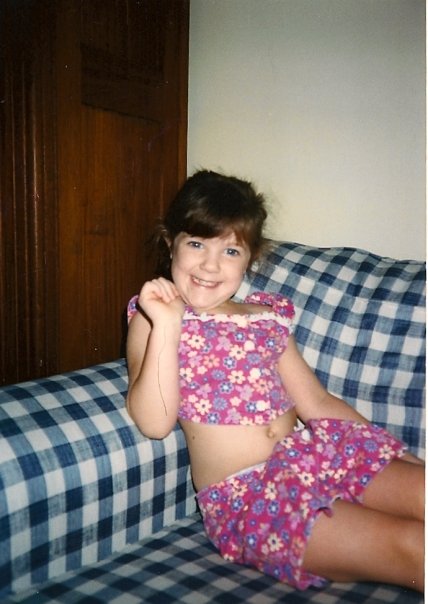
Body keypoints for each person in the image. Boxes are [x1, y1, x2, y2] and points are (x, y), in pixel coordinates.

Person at [126, 170, 424, 592]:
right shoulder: (153, 317)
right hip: (250, 497)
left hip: (316, 457)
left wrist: (397, 455)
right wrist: (168, 325)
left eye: (231, 250)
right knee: (415, 545)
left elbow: (317, 403)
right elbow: (155, 422)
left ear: (250, 258)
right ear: (170, 241)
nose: (210, 265)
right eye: (196, 244)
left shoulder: (265, 316)